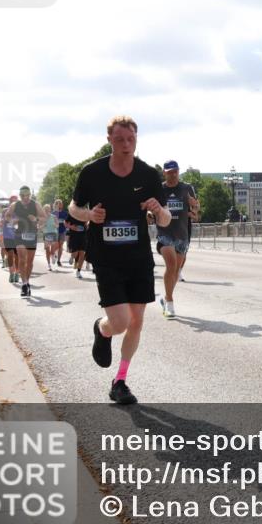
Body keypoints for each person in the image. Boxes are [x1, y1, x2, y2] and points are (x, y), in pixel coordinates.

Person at [68, 116, 170, 405]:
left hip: (138, 256)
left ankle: (120, 381)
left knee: (137, 321)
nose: (126, 144)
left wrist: (158, 209)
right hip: (106, 256)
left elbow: (165, 218)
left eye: (131, 139)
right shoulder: (92, 173)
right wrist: (89, 215)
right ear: (109, 139)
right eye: (120, 139)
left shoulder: (148, 174)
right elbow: (74, 208)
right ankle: (102, 329)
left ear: (136, 139)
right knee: (120, 322)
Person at [155, 160, 197, 319]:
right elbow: (153, 208)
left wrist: (195, 206)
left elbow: (196, 210)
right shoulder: (159, 189)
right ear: (165, 173)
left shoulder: (187, 188)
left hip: (182, 234)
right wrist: (151, 215)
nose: (173, 174)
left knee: (175, 271)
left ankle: (165, 298)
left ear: (179, 171)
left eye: (175, 171)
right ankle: (170, 303)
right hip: (165, 232)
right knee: (171, 265)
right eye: (169, 171)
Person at [5, 186, 46, 297]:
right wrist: (12, 220)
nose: (25, 197)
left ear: (29, 195)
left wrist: (36, 219)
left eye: (27, 195)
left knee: (30, 261)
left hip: (32, 234)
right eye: (23, 196)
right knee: (22, 259)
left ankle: (27, 282)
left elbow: (43, 217)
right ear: (20, 196)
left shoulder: (35, 204)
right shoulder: (15, 205)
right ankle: (23, 284)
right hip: (19, 234)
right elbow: (7, 215)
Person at [65, 211, 89, 279]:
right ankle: (72, 257)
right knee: (75, 253)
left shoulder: (85, 213)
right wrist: (70, 226)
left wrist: (86, 223)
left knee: (82, 254)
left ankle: (78, 271)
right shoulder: (72, 213)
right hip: (74, 236)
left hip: (83, 236)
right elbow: (65, 223)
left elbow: (87, 222)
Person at [42, 204, 59, 271]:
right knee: (47, 250)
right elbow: (39, 226)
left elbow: (57, 225)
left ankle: (53, 255)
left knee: (52, 250)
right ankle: (49, 265)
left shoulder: (54, 217)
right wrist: (43, 225)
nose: (46, 210)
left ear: (50, 210)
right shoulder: (42, 218)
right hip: (46, 234)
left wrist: (55, 225)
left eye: (48, 209)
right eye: (45, 209)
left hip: (53, 233)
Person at [53, 199, 68, 267]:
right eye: (58, 203)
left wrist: (65, 224)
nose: (59, 205)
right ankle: (55, 254)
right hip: (55, 231)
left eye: (60, 203)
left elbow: (67, 221)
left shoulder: (65, 213)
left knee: (60, 246)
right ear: (55, 205)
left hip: (62, 231)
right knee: (56, 245)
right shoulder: (53, 213)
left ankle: (59, 260)